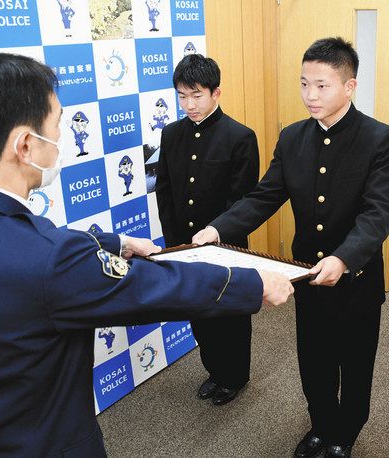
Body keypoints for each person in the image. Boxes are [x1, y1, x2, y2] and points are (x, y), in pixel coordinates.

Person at [0, 52, 294, 457]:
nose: (60, 139)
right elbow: (153, 288)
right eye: (56, 126)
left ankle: (232, 375)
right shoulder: (52, 259)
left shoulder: (10, 233)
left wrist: (117, 244)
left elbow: (37, 242)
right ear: (25, 144)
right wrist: (253, 284)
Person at [193, 37, 389, 458]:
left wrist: (343, 257)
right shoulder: (292, 138)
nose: (310, 95)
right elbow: (263, 196)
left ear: (349, 86)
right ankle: (321, 425)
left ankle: (345, 435)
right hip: (306, 275)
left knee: (355, 364)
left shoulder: (379, 139)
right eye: (305, 83)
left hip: (356, 279)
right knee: (314, 358)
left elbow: (378, 212)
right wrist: (218, 229)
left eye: (322, 85)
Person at [155, 54, 260, 407]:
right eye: (182, 96)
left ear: (216, 93)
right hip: (184, 248)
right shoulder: (171, 134)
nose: (189, 105)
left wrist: (217, 240)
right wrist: (175, 246)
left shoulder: (240, 137)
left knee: (230, 315)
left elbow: (242, 202)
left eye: (197, 95)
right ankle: (215, 371)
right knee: (199, 313)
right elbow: (165, 193)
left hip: (225, 248)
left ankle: (235, 376)